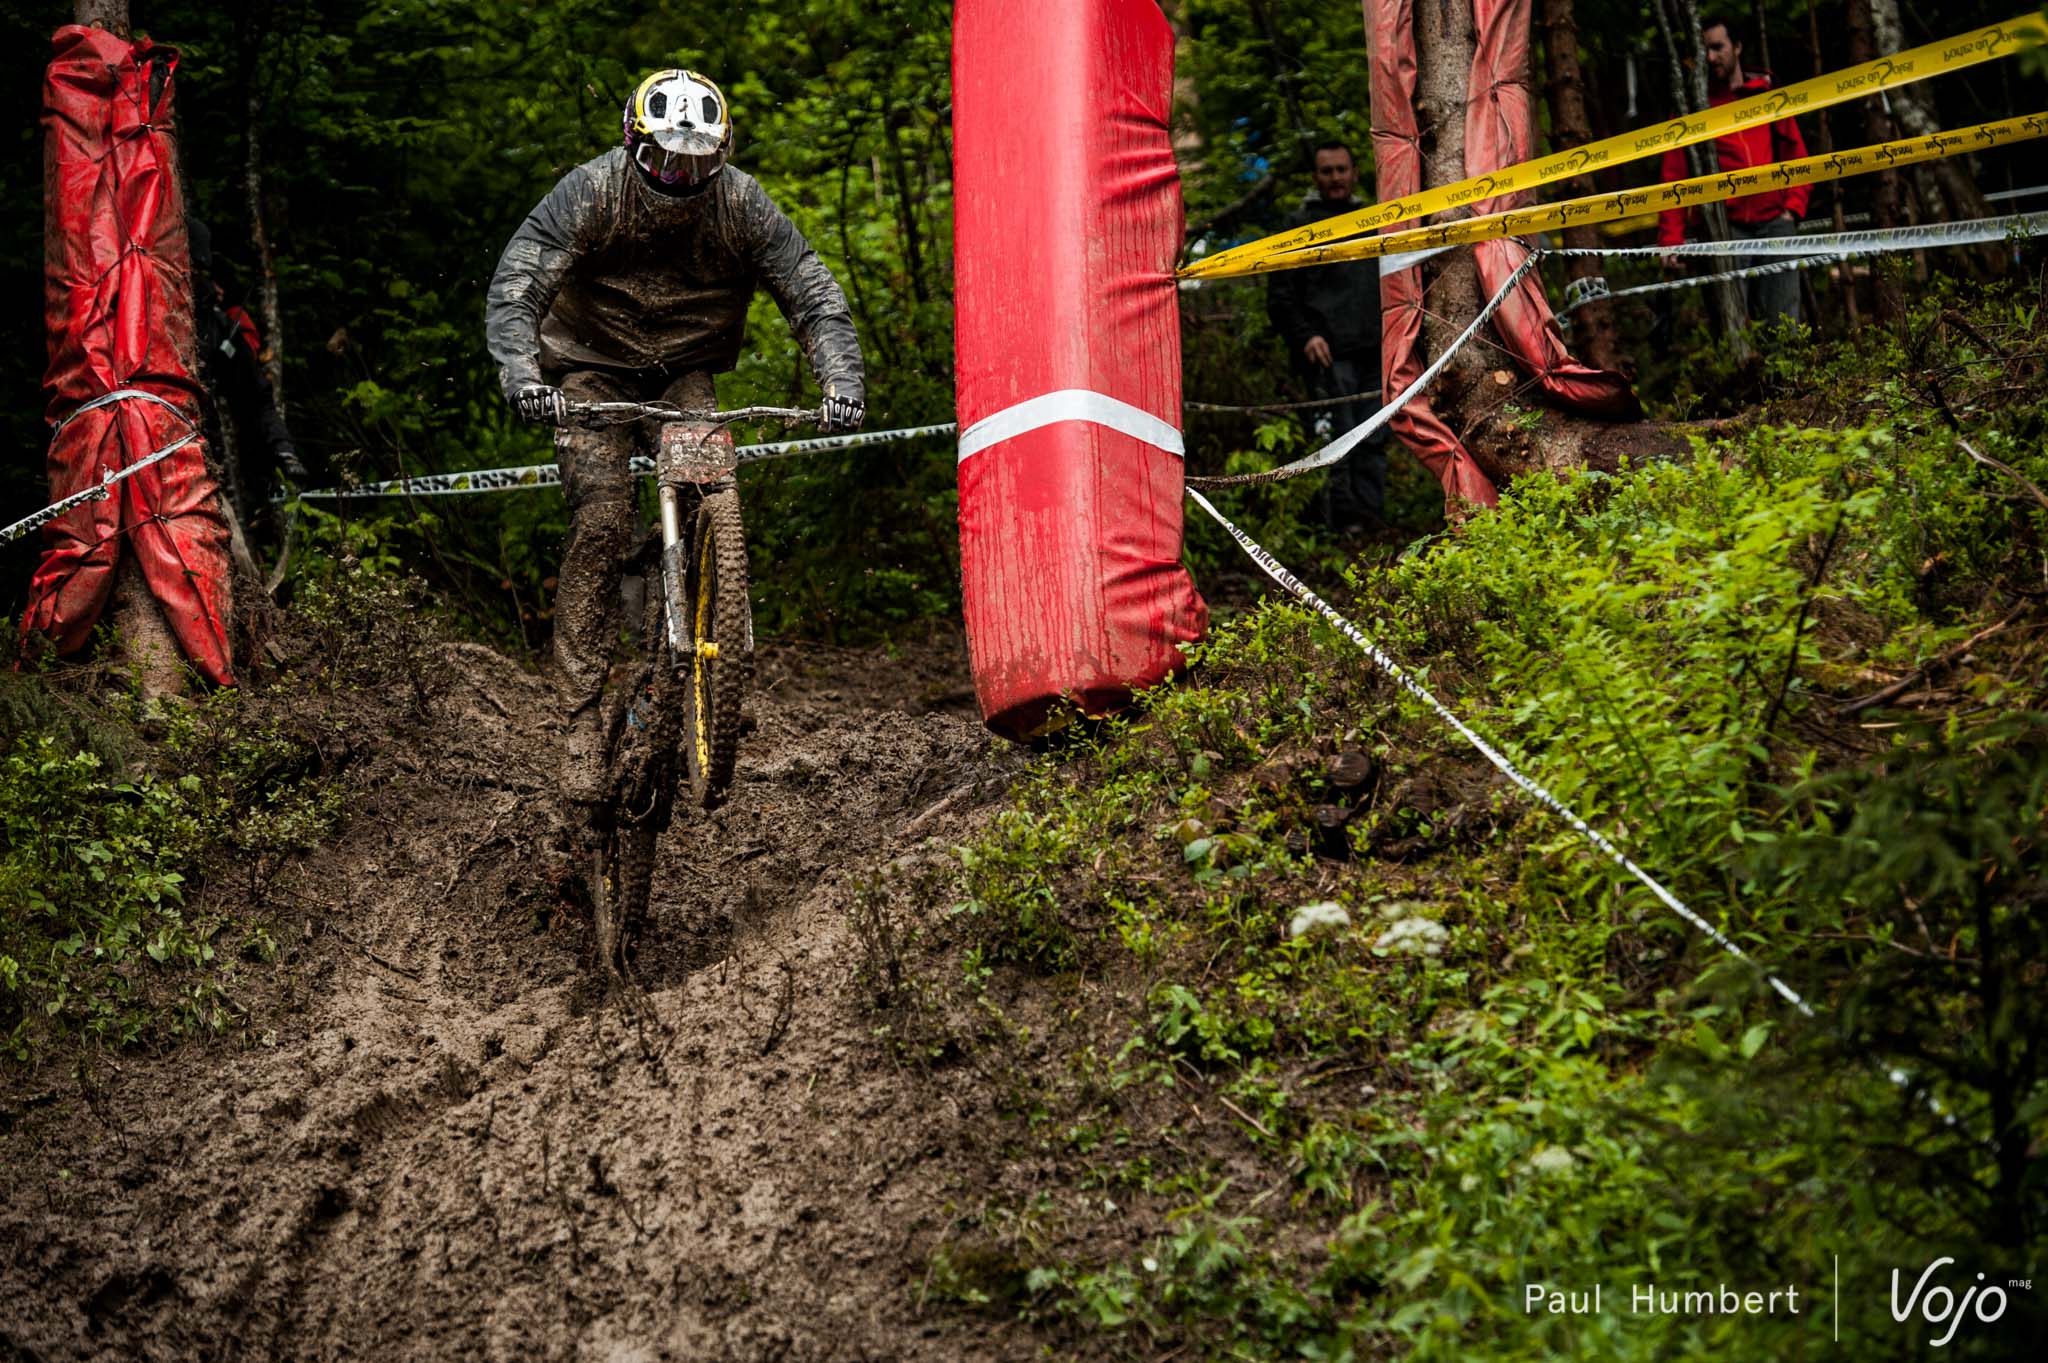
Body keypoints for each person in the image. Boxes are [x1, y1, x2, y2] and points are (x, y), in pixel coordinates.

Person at [485, 69, 864, 846]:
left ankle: (719, 666)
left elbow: (811, 291)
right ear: (635, 146)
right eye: (665, 162)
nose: (680, 178)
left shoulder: (742, 203)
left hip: (687, 365)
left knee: (712, 484)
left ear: (722, 155)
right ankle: (581, 725)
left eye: (697, 163)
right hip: (589, 364)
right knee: (600, 520)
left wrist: (842, 380)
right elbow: (518, 284)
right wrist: (524, 377)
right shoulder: (590, 192)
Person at [1655, 15, 1810, 327]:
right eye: (1704, 51)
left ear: (1737, 47)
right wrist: (1671, 237)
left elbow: (1797, 153)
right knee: (1730, 326)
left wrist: (1793, 208)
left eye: (1717, 47)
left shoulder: (1766, 93)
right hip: (1723, 228)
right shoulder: (1691, 108)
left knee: (1783, 324)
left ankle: (1787, 377)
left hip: (1775, 222)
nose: (1711, 58)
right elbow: (1674, 175)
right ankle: (1741, 375)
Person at [1264, 141, 1386, 535]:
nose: (1335, 178)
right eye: (1327, 171)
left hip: (1374, 350)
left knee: (1373, 437)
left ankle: (1372, 520)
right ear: (1316, 177)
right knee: (1335, 440)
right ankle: (1340, 526)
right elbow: (1280, 295)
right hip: (1328, 356)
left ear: (1354, 172)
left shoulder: (1373, 218)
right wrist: (1306, 336)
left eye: (1341, 170)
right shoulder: (1299, 224)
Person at [187, 217, 305, 514]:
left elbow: (255, 399)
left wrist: (283, 450)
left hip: (191, 462)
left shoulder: (217, 329)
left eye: (197, 269)